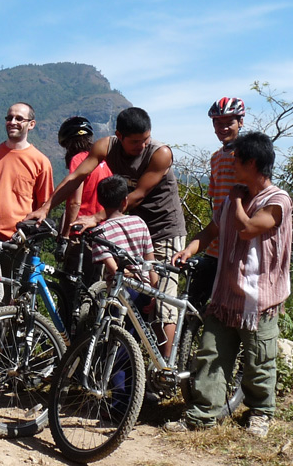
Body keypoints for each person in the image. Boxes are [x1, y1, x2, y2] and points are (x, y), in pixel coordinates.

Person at [26, 107, 186, 358]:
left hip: (163, 230)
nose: (142, 146)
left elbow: (137, 195)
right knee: (120, 296)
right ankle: (122, 365)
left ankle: (164, 372)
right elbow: (76, 177)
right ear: (118, 136)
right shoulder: (105, 147)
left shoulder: (160, 154)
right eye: (135, 142)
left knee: (161, 301)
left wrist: (97, 217)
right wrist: (46, 208)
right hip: (128, 227)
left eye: (145, 139)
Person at [166, 132, 291, 437]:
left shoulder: (278, 200)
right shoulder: (233, 198)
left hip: (258, 299)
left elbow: (248, 229)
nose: (231, 166)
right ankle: (201, 415)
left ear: (252, 162)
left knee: (259, 360)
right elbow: (209, 232)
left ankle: (261, 413)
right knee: (211, 356)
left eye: (236, 161)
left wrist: (235, 199)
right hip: (225, 295)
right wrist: (189, 250)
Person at [0, 101, 53, 307]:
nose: (13, 122)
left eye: (20, 118)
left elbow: (43, 208)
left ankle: (7, 340)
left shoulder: (40, 162)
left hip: (19, 242)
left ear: (31, 124)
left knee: (14, 303)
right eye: (9, 117)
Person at [190, 97, 246, 309]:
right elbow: (216, 203)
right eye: (217, 122)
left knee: (233, 310)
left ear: (240, 122)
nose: (222, 127)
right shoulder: (215, 157)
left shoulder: (245, 154)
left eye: (228, 122)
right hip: (215, 246)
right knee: (193, 305)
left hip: (238, 247)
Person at [54, 116, 112, 283]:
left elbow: (74, 202)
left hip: (80, 233)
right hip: (102, 233)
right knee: (93, 286)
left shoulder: (79, 160)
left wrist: (65, 237)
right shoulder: (103, 161)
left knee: (70, 287)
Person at [92, 175, 157, 289]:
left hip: (120, 292)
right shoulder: (139, 222)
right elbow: (150, 262)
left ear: (99, 201)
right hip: (145, 287)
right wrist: (155, 292)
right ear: (125, 200)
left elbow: (114, 270)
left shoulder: (99, 233)